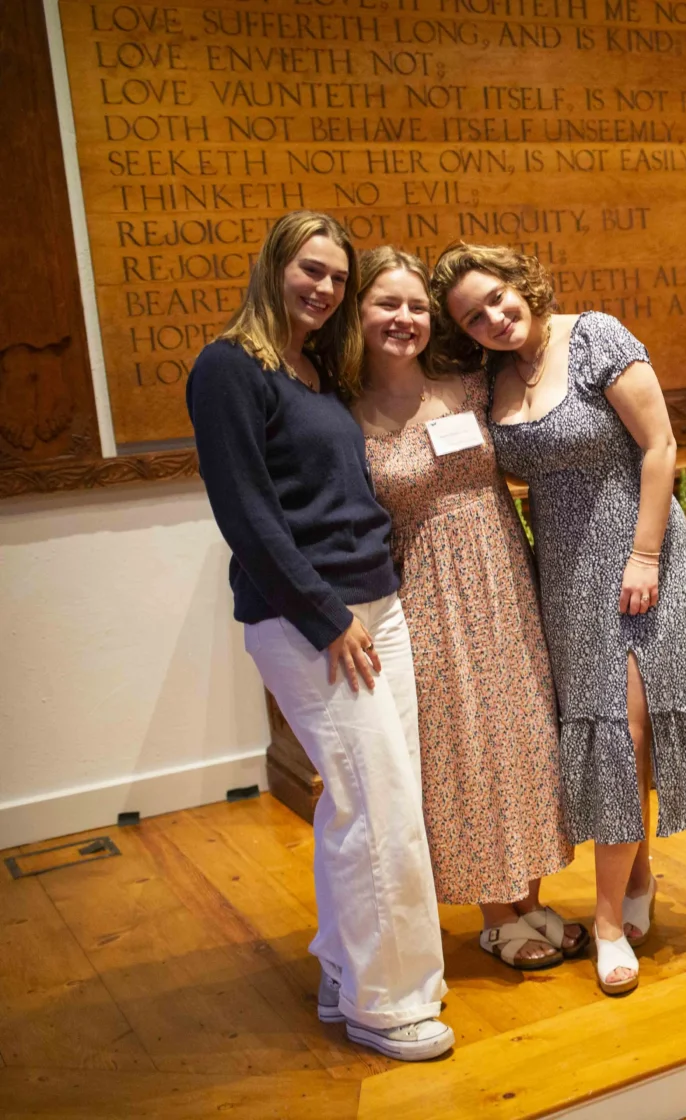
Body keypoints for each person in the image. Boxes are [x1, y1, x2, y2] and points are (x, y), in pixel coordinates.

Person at [185, 212, 452, 1061]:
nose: (325, 288)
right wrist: (325, 614)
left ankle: (345, 969)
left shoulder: (314, 369)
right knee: (377, 808)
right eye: (312, 269)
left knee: (367, 799)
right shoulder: (230, 367)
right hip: (313, 619)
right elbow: (246, 513)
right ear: (275, 265)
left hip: (378, 606)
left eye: (338, 277)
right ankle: (388, 1003)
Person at [433, 243, 686, 997]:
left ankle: (605, 922)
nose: (494, 318)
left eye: (496, 297)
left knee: (623, 734)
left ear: (519, 282)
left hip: (636, 553)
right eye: (473, 317)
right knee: (598, 732)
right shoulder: (494, 377)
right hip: (560, 568)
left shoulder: (595, 335)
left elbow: (660, 445)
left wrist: (646, 556)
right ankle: (638, 874)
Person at [349, 247, 585, 972]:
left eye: (417, 306)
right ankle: (494, 914)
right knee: (464, 749)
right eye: (387, 304)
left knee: (526, 735)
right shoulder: (344, 413)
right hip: (423, 594)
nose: (404, 319)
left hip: (505, 577)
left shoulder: (470, 383)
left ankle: (531, 896)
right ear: (358, 315)